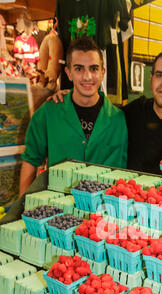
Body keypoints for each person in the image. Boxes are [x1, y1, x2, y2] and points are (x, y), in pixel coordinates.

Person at [48, 49, 162, 175]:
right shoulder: (135, 111)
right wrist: (73, 97)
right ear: (151, 79)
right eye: (160, 75)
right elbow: (99, 111)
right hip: (128, 211)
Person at [19, 35, 128, 197]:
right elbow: (30, 161)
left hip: (101, 213)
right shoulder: (48, 113)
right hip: (55, 211)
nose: (87, 76)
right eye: (79, 69)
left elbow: (118, 174)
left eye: (93, 68)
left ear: (102, 72)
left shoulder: (117, 119)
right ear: (68, 73)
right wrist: (22, 208)